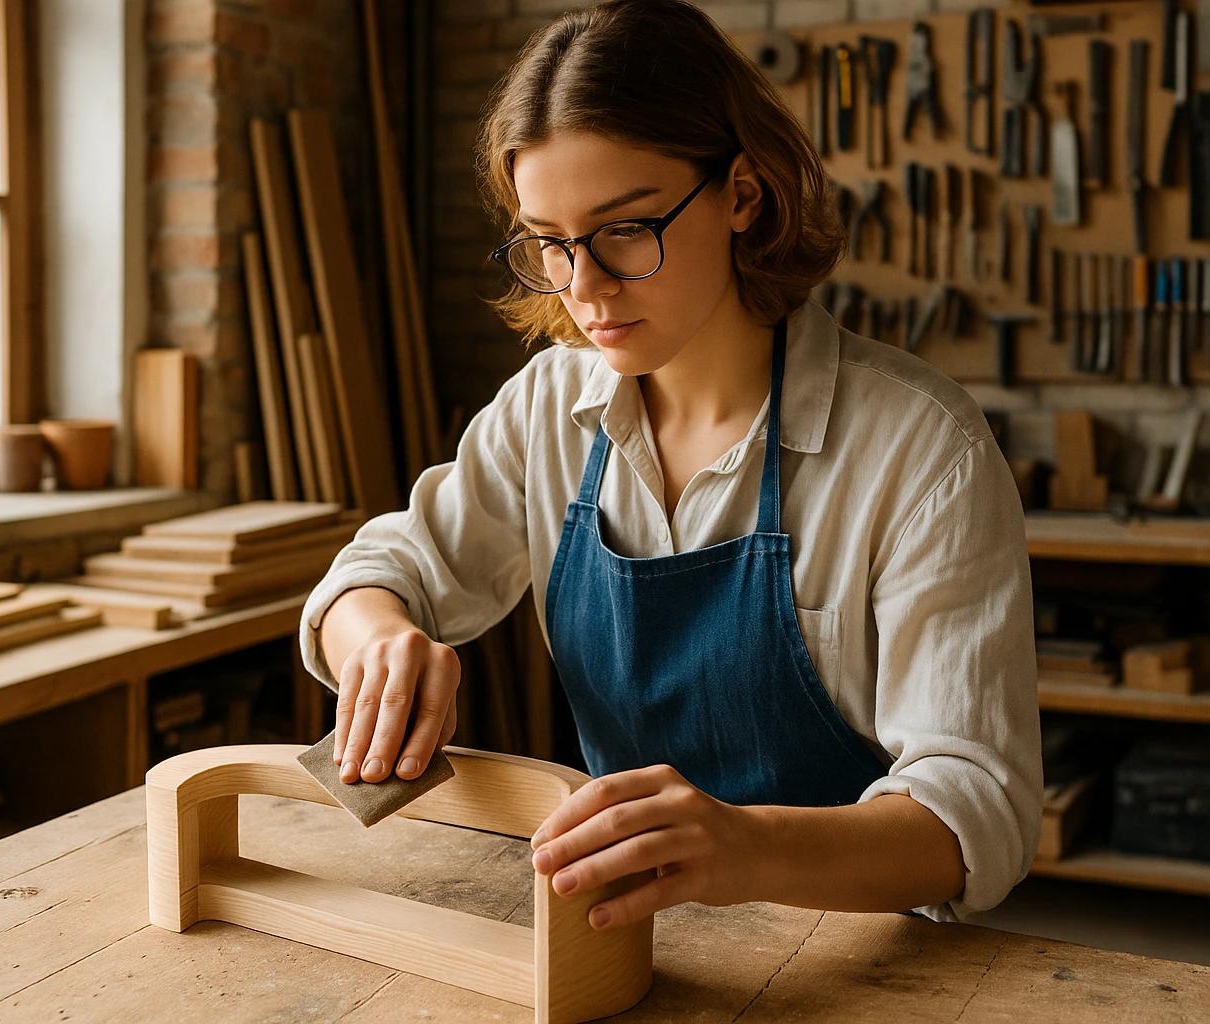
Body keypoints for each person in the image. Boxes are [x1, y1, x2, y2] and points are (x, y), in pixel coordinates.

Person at [302, 0, 1040, 933]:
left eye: (625, 229)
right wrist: (377, 643)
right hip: (626, 937)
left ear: (743, 193)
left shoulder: (921, 452)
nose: (585, 288)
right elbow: (378, 573)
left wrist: (744, 850)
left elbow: (979, 812)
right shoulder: (545, 413)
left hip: (864, 957)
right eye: (551, 243)